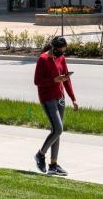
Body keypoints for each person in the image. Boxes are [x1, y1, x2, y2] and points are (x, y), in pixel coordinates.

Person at [33, 36, 78, 176]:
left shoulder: (61, 58)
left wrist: (73, 98)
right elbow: (37, 81)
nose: (62, 53)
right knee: (58, 129)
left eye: (64, 51)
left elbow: (66, 79)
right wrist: (54, 80)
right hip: (47, 98)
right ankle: (40, 154)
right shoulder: (43, 59)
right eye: (60, 50)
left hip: (60, 98)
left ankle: (53, 165)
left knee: (56, 132)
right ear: (53, 47)